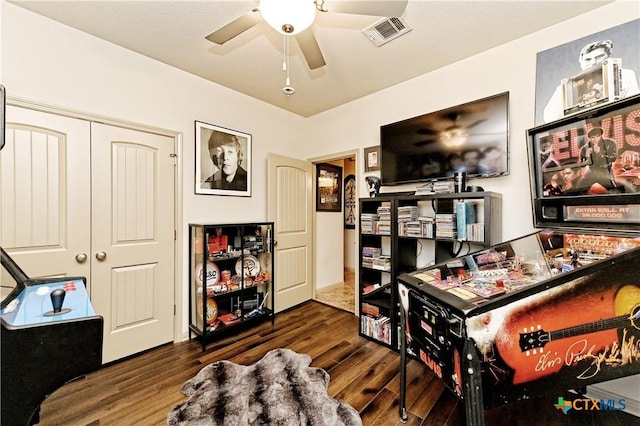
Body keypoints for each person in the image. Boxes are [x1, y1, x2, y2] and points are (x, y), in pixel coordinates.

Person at [543, 40, 640, 123]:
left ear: (608, 57)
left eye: (599, 57)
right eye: (588, 59)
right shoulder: (566, 86)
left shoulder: (625, 75)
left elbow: (634, 109)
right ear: (581, 63)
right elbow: (550, 118)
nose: (593, 62)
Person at [575, 127, 618, 193]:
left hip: (605, 171)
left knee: (614, 191)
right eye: (593, 137)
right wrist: (587, 157)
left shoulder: (610, 143)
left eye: (598, 136)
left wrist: (600, 153)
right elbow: (581, 165)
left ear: (601, 135)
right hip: (592, 172)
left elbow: (613, 158)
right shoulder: (585, 147)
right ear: (589, 138)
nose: (595, 139)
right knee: (578, 189)